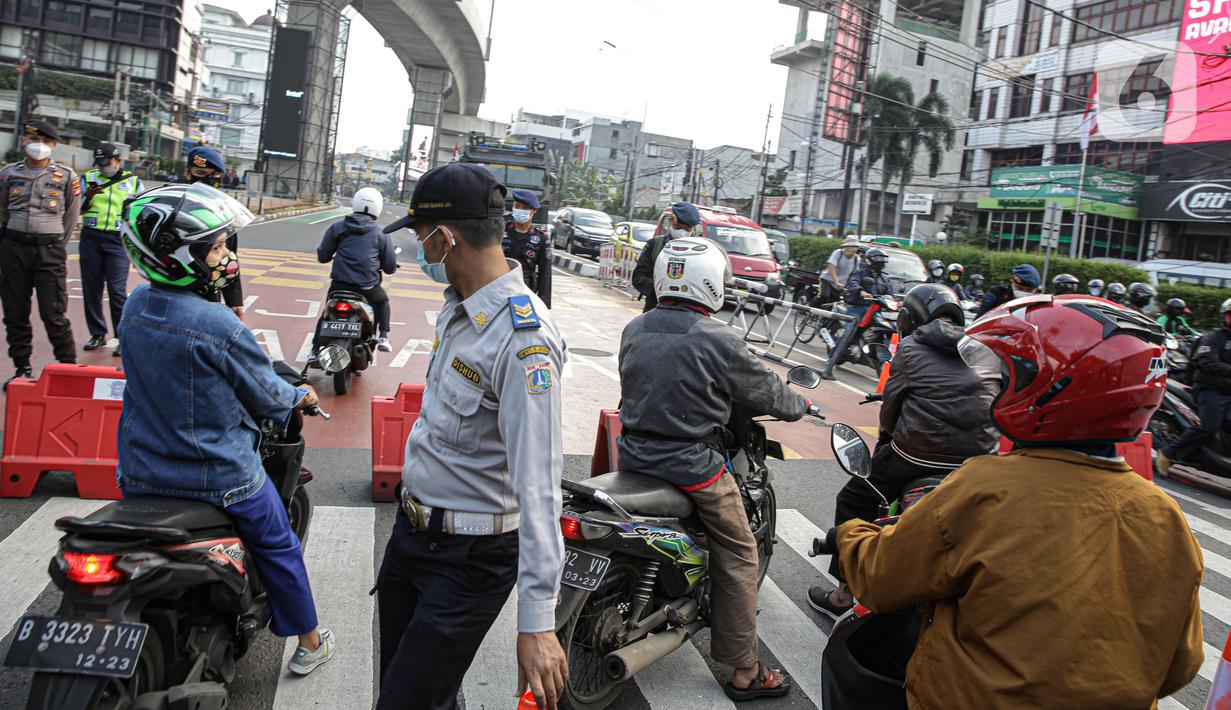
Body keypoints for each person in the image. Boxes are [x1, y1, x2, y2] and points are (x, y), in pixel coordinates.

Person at [834, 294, 1203, 708]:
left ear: (1053, 387)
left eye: (1012, 374)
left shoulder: (987, 489)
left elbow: (882, 578)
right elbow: (1180, 664)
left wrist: (849, 534)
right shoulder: (1165, 517)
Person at [116, 183, 336, 676]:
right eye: (214, 248)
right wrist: (298, 394)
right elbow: (264, 391)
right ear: (178, 258)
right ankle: (310, 642)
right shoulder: (218, 324)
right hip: (219, 476)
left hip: (140, 472)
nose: (224, 256)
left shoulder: (133, 307)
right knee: (279, 545)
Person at [376, 164, 569, 710]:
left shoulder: (522, 338)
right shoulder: (460, 308)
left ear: (445, 237)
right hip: (411, 538)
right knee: (410, 687)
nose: (420, 250)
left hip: (468, 561)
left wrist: (536, 622)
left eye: (420, 238)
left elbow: (539, 487)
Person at [618, 236, 809, 701]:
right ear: (709, 283)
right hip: (691, 466)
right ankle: (746, 670)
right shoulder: (717, 337)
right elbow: (768, 392)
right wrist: (799, 403)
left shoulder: (635, 328)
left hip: (634, 456)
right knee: (740, 553)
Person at [809, 283, 998, 619]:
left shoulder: (910, 349)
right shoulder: (984, 348)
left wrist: (886, 440)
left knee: (855, 499)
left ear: (909, 318)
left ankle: (842, 595)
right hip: (976, 462)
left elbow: (892, 406)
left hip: (915, 456)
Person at [0, 120, 79, 387]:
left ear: (54, 145)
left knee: (53, 313)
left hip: (49, 251)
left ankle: (69, 370)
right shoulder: (9, 173)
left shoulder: (67, 177)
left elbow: (70, 217)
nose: (39, 146)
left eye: (46, 142)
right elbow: (2, 212)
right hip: (13, 248)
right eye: (34, 140)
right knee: (15, 312)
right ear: (23, 141)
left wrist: (54, 243)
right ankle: (22, 368)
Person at [310, 187, 397, 358]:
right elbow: (389, 267)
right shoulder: (381, 234)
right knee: (382, 301)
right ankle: (384, 337)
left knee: (327, 313)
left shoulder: (337, 228)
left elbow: (323, 257)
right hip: (367, 287)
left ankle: (314, 351)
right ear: (377, 207)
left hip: (339, 285)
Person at [79, 142, 142, 358]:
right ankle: (97, 333)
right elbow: (76, 206)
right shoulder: (89, 178)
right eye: (100, 164)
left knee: (116, 291)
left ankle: (122, 337)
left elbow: (141, 211)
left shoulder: (132, 182)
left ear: (117, 160)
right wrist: (88, 196)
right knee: (92, 289)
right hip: (91, 238)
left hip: (117, 240)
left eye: (107, 163)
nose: (103, 167)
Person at [1157, 297, 1231, 477]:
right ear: (1224, 316)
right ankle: (1167, 453)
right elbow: (1207, 361)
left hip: (1229, 392)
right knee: (1209, 426)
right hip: (1211, 390)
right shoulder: (1213, 338)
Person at [186, 146, 244, 319]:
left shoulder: (224, 212)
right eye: (200, 173)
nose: (208, 180)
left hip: (207, 293)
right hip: (171, 289)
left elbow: (228, 258)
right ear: (189, 173)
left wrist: (234, 301)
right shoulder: (170, 205)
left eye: (214, 175)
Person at [821, 247, 893, 380]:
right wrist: (861, 291)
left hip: (876, 309)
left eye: (883, 261)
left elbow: (890, 293)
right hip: (858, 307)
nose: (881, 264)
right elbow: (852, 284)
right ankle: (830, 364)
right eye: (878, 261)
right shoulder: (860, 273)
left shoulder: (885, 278)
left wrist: (897, 301)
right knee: (850, 334)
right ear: (870, 261)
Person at [633, 201, 701, 312]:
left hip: (687, 313)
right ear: (671, 222)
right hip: (655, 308)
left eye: (686, 229)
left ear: (693, 228)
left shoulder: (700, 252)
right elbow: (638, 277)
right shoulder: (655, 245)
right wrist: (661, 289)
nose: (682, 232)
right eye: (678, 227)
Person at [502, 188, 552, 306]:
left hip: (525, 291)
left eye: (524, 208)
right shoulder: (500, 230)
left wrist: (543, 303)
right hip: (500, 287)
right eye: (517, 206)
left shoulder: (541, 238)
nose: (519, 210)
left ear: (533, 211)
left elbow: (545, 272)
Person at [975, 263, 1040, 317]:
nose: (1024, 292)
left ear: (1035, 290)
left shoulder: (1039, 304)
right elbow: (978, 322)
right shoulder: (996, 295)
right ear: (1012, 283)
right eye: (1020, 288)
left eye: (1029, 290)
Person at [819, 238, 861, 304]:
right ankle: (811, 309)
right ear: (846, 247)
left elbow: (854, 274)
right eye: (852, 246)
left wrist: (851, 286)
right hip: (828, 280)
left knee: (835, 303)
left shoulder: (857, 258)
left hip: (841, 285)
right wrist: (836, 282)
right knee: (824, 296)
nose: (854, 249)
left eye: (856, 246)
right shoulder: (838, 253)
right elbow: (831, 267)